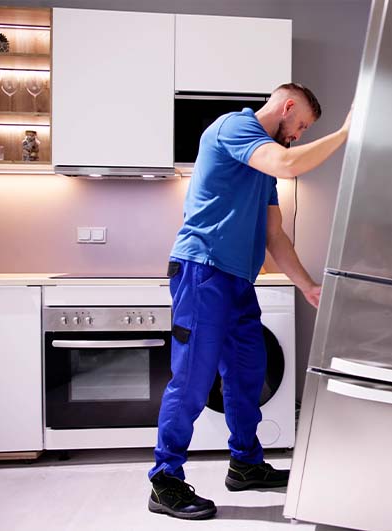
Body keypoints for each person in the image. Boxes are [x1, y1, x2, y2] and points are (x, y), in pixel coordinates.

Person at [147, 83, 351, 520]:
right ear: (287, 106)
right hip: (202, 272)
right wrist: (345, 134)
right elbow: (289, 164)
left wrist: (308, 286)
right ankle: (165, 480)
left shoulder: (263, 166)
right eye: (300, 126)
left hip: (237, 281)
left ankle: (245, 463)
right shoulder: (234, 128)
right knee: (193, 379)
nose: (297, 136)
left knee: (247, 373)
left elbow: (274, 235)